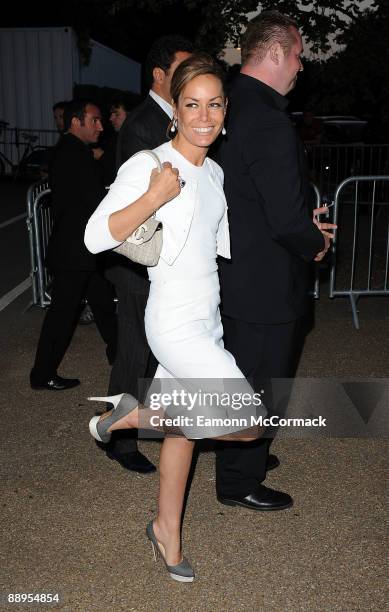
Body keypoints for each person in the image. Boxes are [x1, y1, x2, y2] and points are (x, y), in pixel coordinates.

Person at [84, 54, 265, 582]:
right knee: (246, 422)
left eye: (213, 104)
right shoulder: (150, 164)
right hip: (171, 321)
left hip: (208, 319)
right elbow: (97, 236)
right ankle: (125, 417)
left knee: (184, 432)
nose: (203, 116)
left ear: (225, 110)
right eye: (192, 104)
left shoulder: (216, 173)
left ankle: (167, 532)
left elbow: (215, 250)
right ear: (175, 112)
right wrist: (154, 196)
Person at [216, 11, 335, 511]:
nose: (300, 67)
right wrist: (315, 241)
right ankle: (239, 480)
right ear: (274, 53)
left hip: (235, 268)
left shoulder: (228, 102)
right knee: (261, 376)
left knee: (244, 374)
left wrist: (296, 218)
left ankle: (249, 453)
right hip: (263, 278)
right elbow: (285, 221)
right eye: (298, 56)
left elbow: (252, 195)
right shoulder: (266, 118)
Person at [102, 35, 193, 474]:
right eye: (182, 69)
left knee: (159, 353)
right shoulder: (142, 124)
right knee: (134, 353)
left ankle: (150, 424)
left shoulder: (176, 119)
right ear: (160, 75)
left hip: (165, 263)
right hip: (139, 264)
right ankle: (118, 439)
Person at [30, 99, 117, 391]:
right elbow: (95, 197)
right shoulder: (74, 154)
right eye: (94, 120)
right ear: (76, 123)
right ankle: (42, 374)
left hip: (81, 250)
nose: (100, 126)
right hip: (74, 252)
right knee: (62, 317)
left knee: (103, 301)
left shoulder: (74, 151)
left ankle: (119, 353)